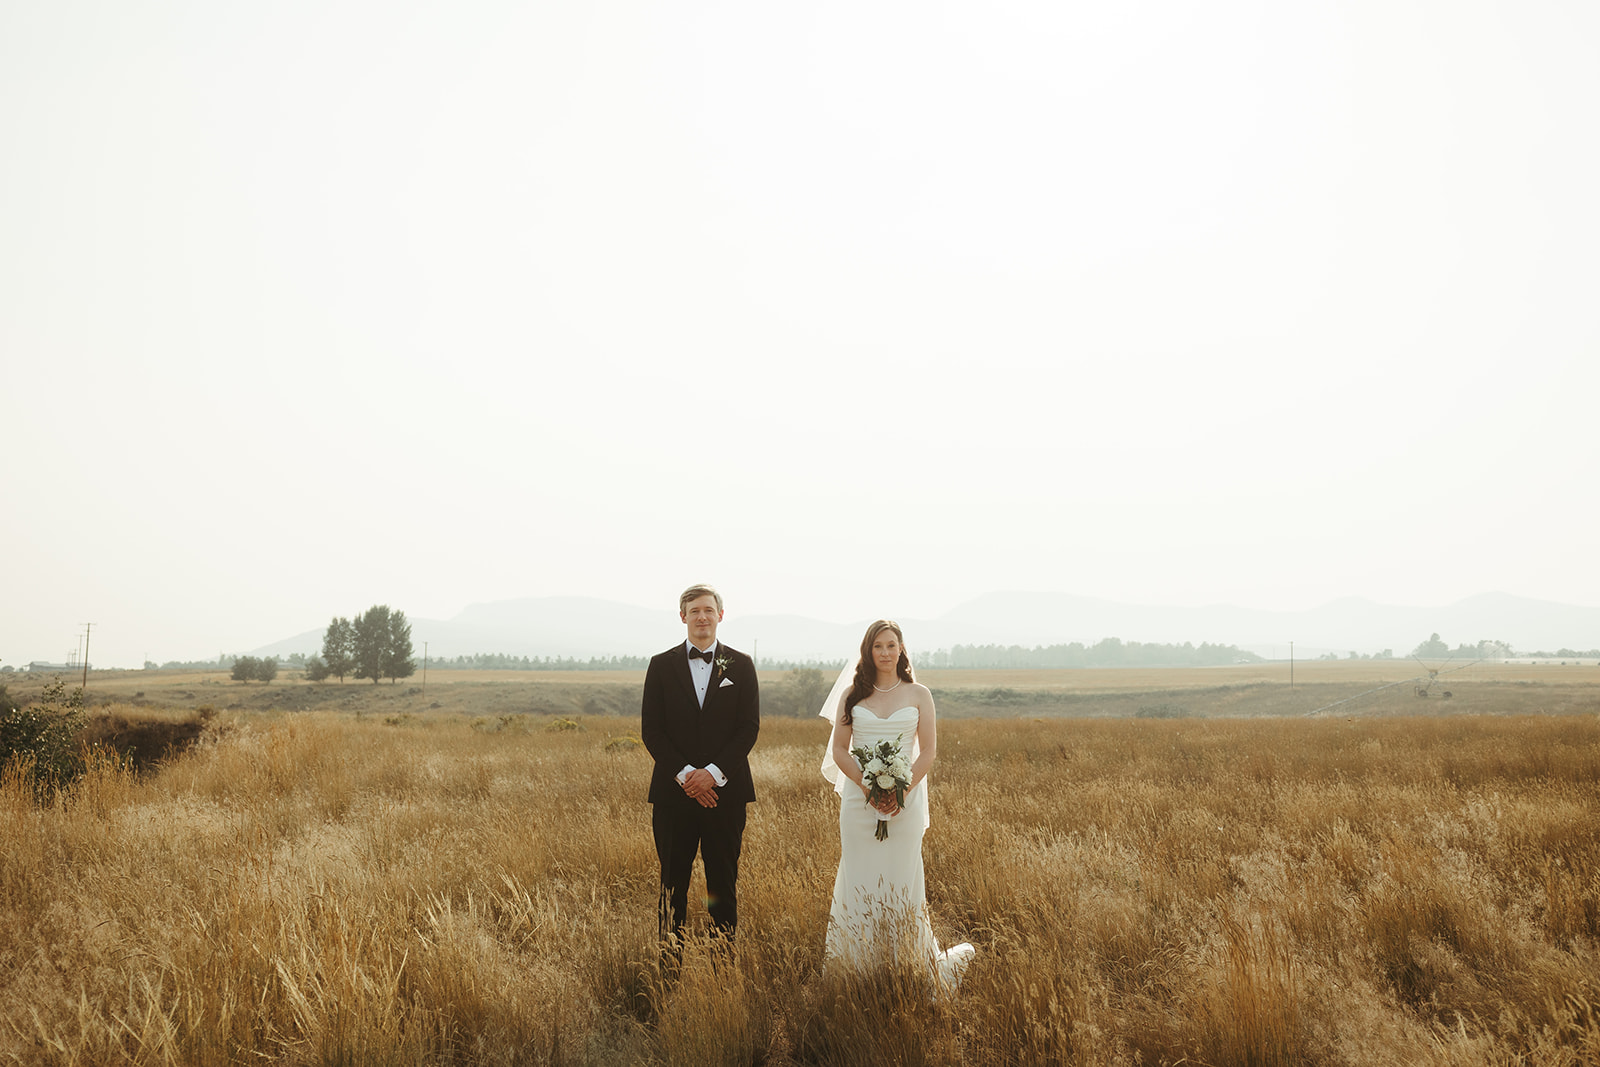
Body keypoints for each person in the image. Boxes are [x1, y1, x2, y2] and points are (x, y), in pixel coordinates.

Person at [821, 619, 974, 989]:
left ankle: (910, 964)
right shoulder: (852, 696)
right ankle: (856, 970)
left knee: (902, 879)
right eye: (878, 646)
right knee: (859, 876)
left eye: (891, 645)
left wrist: (900, 792)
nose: (885, 653)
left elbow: (930, 750)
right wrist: (867, 785)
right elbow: (840, 749)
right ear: (868, 651)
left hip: (906, 801)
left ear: (901, 649)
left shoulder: (919, 694)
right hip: (860, 803)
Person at [641, 584, 760, 950]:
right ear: (683, 617)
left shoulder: (741, 665)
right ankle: (668, 967)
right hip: (673, 798)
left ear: (720, 615)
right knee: (672, 884)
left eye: (709, 610)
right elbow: (652, 730)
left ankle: (722, 970)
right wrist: (687, 777)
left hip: (726, 795)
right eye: (694, 611)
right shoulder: (661, 666)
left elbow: (748, 728)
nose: (702, 617)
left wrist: (712, 774)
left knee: (722, 883)